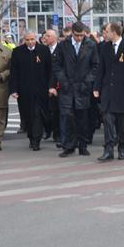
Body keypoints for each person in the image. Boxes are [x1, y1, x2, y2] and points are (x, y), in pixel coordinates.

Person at [94, 22, 124, 161]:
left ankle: (122, 148)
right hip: (108, 91)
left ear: (114, 32)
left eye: (106, 31)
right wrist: (96, 87)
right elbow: (101, 69)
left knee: (122, 124)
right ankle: (108, 150)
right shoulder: (104, 47)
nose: (104, 33)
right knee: (107, 120)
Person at [54, 22, 99, 157]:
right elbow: (57, 65)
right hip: (67, 87)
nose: (79, 38)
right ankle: (68, 146)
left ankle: (83, 145)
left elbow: (95, 65)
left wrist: (88, 81)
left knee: (83, 118)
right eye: (76, 35)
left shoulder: (90, 45)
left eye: (81, 35)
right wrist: (63, 80)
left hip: (83, 87)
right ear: (72, 33)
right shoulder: (63, 45)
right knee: (68, 118)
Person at [8, 31, 52, 151]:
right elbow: (14, 72)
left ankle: (36, 140)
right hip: (24, 91)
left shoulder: (43, 50)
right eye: (27, 40)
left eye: (32, 39)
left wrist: (50, 86)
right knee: (27, 116)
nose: (30, 42)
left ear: (36, 39)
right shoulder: (17, 52)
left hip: (40, 90)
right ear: (24, 40)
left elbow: (50, 70)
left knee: (37, 114)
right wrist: (13, 90)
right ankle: (31, 137)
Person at [43, 29, 61, 145]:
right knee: (45, 111)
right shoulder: (43, 50)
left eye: (48, 36)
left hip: (57, 86)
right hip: (44, 84)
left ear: (55, 37)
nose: (45, 38)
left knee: (57, 111)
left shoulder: (61, 50)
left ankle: (57, 134)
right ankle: (48, 130)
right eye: (45, 36)